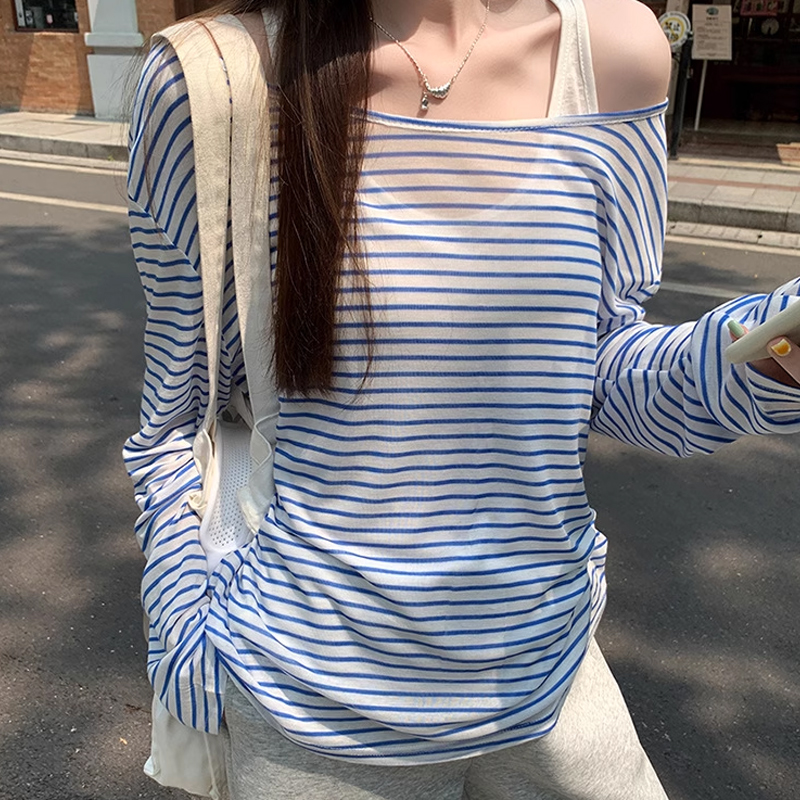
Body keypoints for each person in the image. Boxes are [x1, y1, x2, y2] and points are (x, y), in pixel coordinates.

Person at [123, 1, 800, 798]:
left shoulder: (613, 55)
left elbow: (599, 368)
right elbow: (172, 421)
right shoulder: (212, 79)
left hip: (550, 673)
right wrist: (186, 644)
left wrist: (767, 357)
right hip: (307, 704)